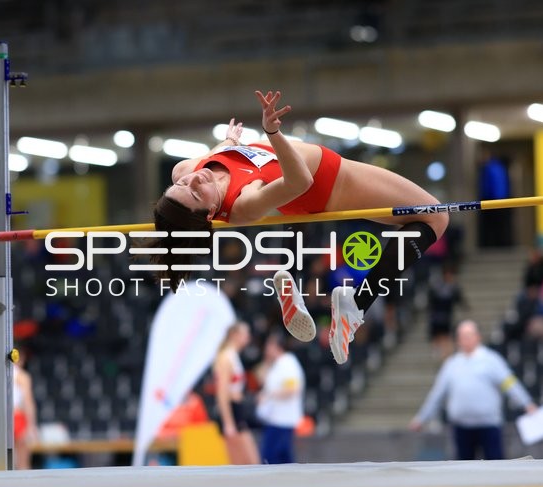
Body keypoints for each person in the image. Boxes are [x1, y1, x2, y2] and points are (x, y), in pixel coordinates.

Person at [153, 90, 448, 365]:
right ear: (208, 215)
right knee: (435, 216)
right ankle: (355, 305)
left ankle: (293, 278)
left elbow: (214, 161)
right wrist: (273, 134)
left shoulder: (185, 170)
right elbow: (300, 182)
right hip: (331, 182)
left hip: (307, 188)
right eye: (193, 193)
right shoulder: (243, 204)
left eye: (181, 184)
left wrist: (229, 142)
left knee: (427, 216)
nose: (193, 180)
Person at [409, 320, 537, 460]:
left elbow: (509, 384)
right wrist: (421, 418)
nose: (466, 339)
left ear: (478, 336)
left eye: (469, 335)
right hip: (461, 428)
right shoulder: (452, 365)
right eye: (462, 336)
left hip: (489, 425)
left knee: (495, 468)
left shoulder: (492, 360)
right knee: (464, 471)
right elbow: (437, 394)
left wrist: (526, 403)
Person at [212, 321, 260, 465]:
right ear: (234, 335)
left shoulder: (233, 356)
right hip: (232, 411)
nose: (248, 337)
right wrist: (228, 423)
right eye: (245, 334)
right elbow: (222, 392)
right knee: (244, 461)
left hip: (238, 409)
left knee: (249, 461)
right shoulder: (226, 357)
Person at [256, 332, 305, 464]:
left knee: (271, 456)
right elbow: (260, 376)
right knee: (281, 456)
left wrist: (271, 395)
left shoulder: (287, 363)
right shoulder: (276, 364)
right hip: (275, 418)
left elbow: (293, 389)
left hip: (282, 419)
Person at [428, 266, 469, 359]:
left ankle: (446, 355)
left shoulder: (454, 288)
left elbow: (459, 299)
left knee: (447, 337)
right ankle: (439, 352)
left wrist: (465, 307)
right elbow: (431, 302)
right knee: (438, 335)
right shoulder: (436, 287)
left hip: (447, 317)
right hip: (436, 316)